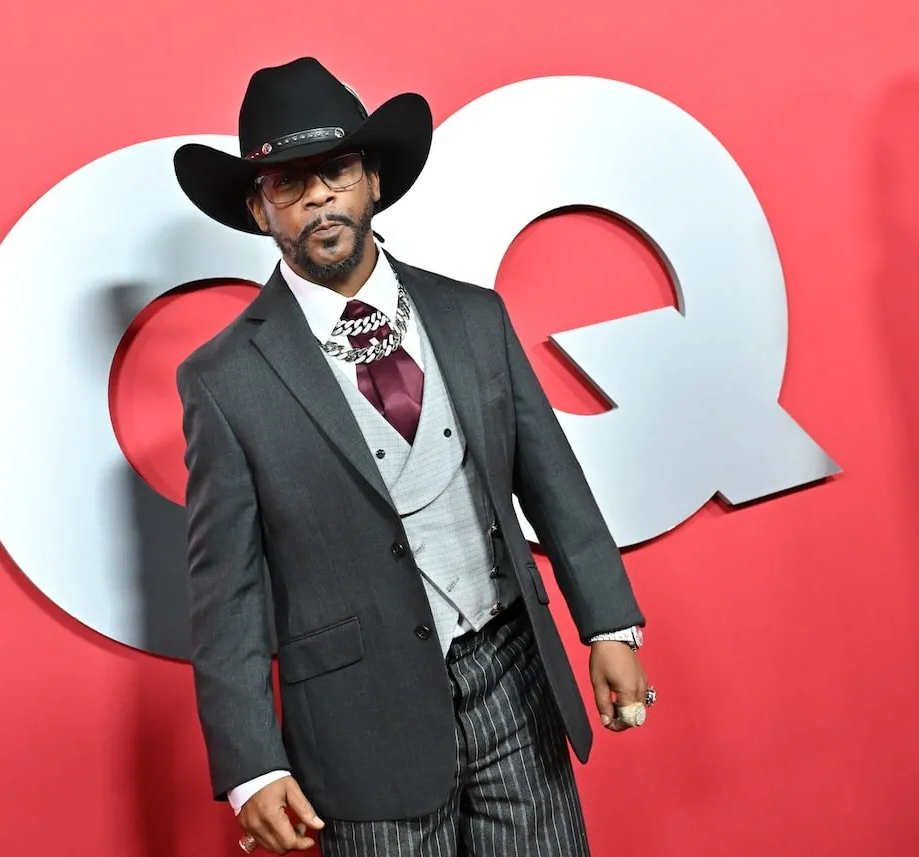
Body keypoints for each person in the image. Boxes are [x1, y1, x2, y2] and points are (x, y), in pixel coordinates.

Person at [172, 56, 654, 857]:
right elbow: (226, 592)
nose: (318, 196)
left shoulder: (473, 316)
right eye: (289, 184)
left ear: (373, 182)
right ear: (260, 211)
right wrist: (253, 764)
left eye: (336, 171)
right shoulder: (223, 382)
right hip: (361, 727)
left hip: (513, 681)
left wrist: (611, 624)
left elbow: (553, 482)